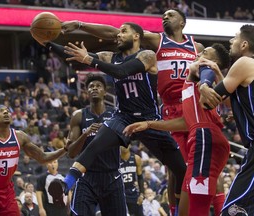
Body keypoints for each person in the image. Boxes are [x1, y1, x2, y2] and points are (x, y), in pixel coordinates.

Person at [60, 8, 205, 215]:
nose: (165, 16)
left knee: (188, 168)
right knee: (174, 170)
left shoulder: (195, 46)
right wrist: (75, 28)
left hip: (182, 109)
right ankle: (66, 183)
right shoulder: (156, 41)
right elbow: (112, 33)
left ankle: (185, 209)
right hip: (163, 110)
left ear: (183, 22)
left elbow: (208, 67)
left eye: (171, 15)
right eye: (163, 14)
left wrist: (210, 89)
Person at [34, 22, 186, 214]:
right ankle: (66, 184)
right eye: (118, 32)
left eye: (124, 31)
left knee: (180, 169)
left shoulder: (147, 55)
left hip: (149, 119)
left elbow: (121, 71)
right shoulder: (109, 57)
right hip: (123, 116)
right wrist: (47, 43)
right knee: (95, 145)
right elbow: (71, 55)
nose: (119, 35)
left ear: (137, 36)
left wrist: (90, 59)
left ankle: (177, 210)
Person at [123, 43, 231, 216]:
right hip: (205, 135)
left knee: (196, 208)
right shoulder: (201, 79)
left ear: (214, 61)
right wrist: (149, 124)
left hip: (204, 137)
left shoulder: (202, 68)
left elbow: (206, 71)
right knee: (187, 207)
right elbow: (185, 122)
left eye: (205, 53)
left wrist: (204, 84)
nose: (200, 54)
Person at [0, 104, 67, 216]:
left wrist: (65, 149)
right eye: (0, 111)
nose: (6, 112)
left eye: (7, 111)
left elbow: (42, 157)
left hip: (7, 191)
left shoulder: (20, 137)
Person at [198, 24, 254, 216]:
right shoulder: (247, 69)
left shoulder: (245, 62)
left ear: (245, 44)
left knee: (232, 211)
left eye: (235, 38)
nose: (231, 41)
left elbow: (208, 102)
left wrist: (203, 84)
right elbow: (231, 101)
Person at [63, 74, 126, 216]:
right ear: (86, 92)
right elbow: (71, 153)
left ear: (105, 91)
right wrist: (85, 134)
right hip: (87, 177)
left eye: (98, 86)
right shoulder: (79, 115)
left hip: (112, 175)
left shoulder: (116, 114)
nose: (94, 88)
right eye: (91, 86)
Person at [120, 145, 144, 216]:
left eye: (126, 144)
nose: (124, 146)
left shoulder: (136, 158)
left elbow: (140, 177)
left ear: (129, 145)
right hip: (120, 192)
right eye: (122, 144)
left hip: (133, 192)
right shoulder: (115, 159)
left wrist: (142, 194)